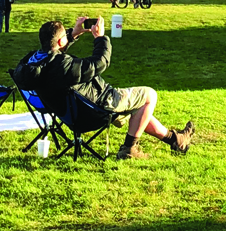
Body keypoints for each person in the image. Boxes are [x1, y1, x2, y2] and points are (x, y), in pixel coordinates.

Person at [25, 16, 194, 160]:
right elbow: (100, 62)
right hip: (98, 107)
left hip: (73, 113)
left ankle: (176, 140)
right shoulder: (65, 67)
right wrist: (100, 37)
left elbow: (53, 53)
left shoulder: (32, 64)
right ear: (61, 41)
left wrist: (73, 34)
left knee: (138, 109)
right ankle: (129, 149)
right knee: (149, 95)